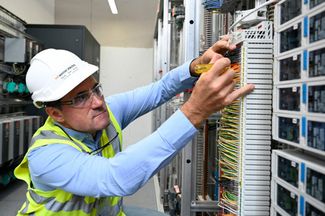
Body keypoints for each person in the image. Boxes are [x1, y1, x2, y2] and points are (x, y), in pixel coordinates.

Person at [14, 37, 254, 216]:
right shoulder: (46, 154)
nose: (98, 102)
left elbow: (159, 90)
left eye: (95, 89)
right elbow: (116, 177)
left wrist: (196, 66)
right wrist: (195, 111)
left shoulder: (107, 112)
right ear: (55, 113)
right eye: (80, 99)